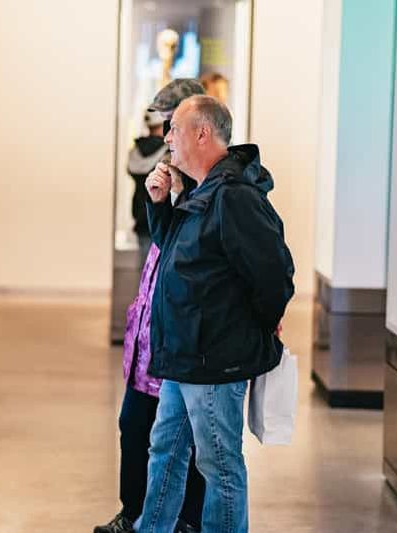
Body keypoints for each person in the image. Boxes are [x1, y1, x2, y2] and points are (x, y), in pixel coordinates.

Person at [135, 95, 295, 533]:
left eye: (175, 129)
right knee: (165, 451)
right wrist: (159, 204)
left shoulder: (234, 196)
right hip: (185, 355)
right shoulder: (201, 190)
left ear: (202, 134)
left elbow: (274, 273)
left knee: (219, 464)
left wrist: (259, 323)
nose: (168, 138)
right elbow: (175, 253)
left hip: (213, 359)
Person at [95, 79, 207, 533]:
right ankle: (133, 512)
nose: (166, 136)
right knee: (135, 425)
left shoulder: (213, 189)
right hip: (149, 342)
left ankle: (187, 520)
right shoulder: (163, 176)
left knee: (188, 441)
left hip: (185, 347)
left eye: (172, 126)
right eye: (164, 126)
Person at [128, 110, 167, 261]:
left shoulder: (135, 150)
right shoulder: (169, 152)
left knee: (146, 267)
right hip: (161, 216)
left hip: (141, 215)